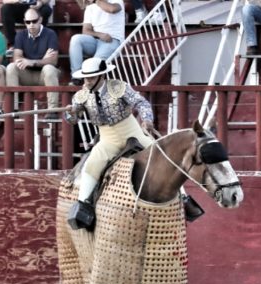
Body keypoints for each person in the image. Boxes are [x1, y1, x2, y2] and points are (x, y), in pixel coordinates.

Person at [63, 58, 204, 230]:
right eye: (86, 78)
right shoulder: (81, 95)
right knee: (91, 165)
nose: (87, 81)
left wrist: (146, 120)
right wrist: (70, 113)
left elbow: (141, 103)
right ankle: (83, 206)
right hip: (108, 139)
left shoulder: (118, 87)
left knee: (163, 157)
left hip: (132, 132)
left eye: (91, 77)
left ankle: (184, 200)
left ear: (101, 76)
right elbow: (73, 119)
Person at [5, 8, 60, 119]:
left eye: (34, 21)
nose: (31, 25)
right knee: (11, 67)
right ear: (24, 21)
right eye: (28, 22)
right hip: (28, 75)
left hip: (44, 75)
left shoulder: (50, 34)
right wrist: (42, 60)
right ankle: (14, 109)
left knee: (49, 68)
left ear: (40, 20)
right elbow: (17, 58)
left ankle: (52, 110)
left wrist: (32, 62)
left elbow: (53, 61)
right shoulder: (21, 35)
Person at [68, 0, 124, 86]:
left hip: (112, 40)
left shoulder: (116, 1)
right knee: (76, 39)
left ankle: (90, 85)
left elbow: (112, 9)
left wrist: (95, 1)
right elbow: (85, 30)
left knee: (94, 63)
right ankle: (77, 78)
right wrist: (99, 35)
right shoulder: (90, 6)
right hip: (96, 40)